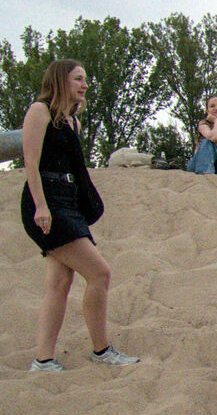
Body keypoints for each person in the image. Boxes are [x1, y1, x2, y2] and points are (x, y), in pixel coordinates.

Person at [19, 59, 140, 371]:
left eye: (85, 79)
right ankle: (101, 350)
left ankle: (43, 359)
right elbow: (31, 162)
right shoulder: (39, 110)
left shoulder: (72, 120)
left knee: (59, 280)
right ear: (61, 80)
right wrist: (42, 206)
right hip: (45, 200)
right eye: (77, 79)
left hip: (68, 201)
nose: (84, 85)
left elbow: (76, 168)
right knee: (100, 273)